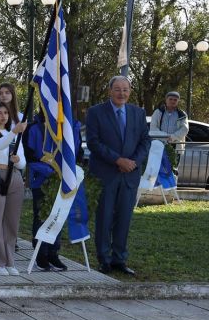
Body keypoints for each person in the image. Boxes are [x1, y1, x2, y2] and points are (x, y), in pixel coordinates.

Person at [85, 76, 151, 276]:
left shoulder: (138, 113)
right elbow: (93, 142)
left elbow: (145, 141)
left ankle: (119, 259)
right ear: (110, 91)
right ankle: (104, 260)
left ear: (130, 91)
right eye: (117, 89)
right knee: (104, 218)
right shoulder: (95, 112)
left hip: (129, 175)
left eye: (125, 89)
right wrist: (118, 160)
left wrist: (133, 162)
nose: (122, 93)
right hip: (106, 174)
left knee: (124, 218)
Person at [23, 107, 76, 272]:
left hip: (62, 179)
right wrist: (49, 171)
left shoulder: (69, 126)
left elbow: (75, 151)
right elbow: (29, 155)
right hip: (41, 179)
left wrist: (63, 171)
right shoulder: (33, 128)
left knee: (58, 215)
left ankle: (53, 252)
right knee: (41, 216)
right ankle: (40, 253)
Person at [0, 101, 28, 275]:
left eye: (6, 113)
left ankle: (9, 260)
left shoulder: (14, 135)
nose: (3, 116)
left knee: (11, 221)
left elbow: (23, 161)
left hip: (14, 177)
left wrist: (18, 160)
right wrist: (14, 133)